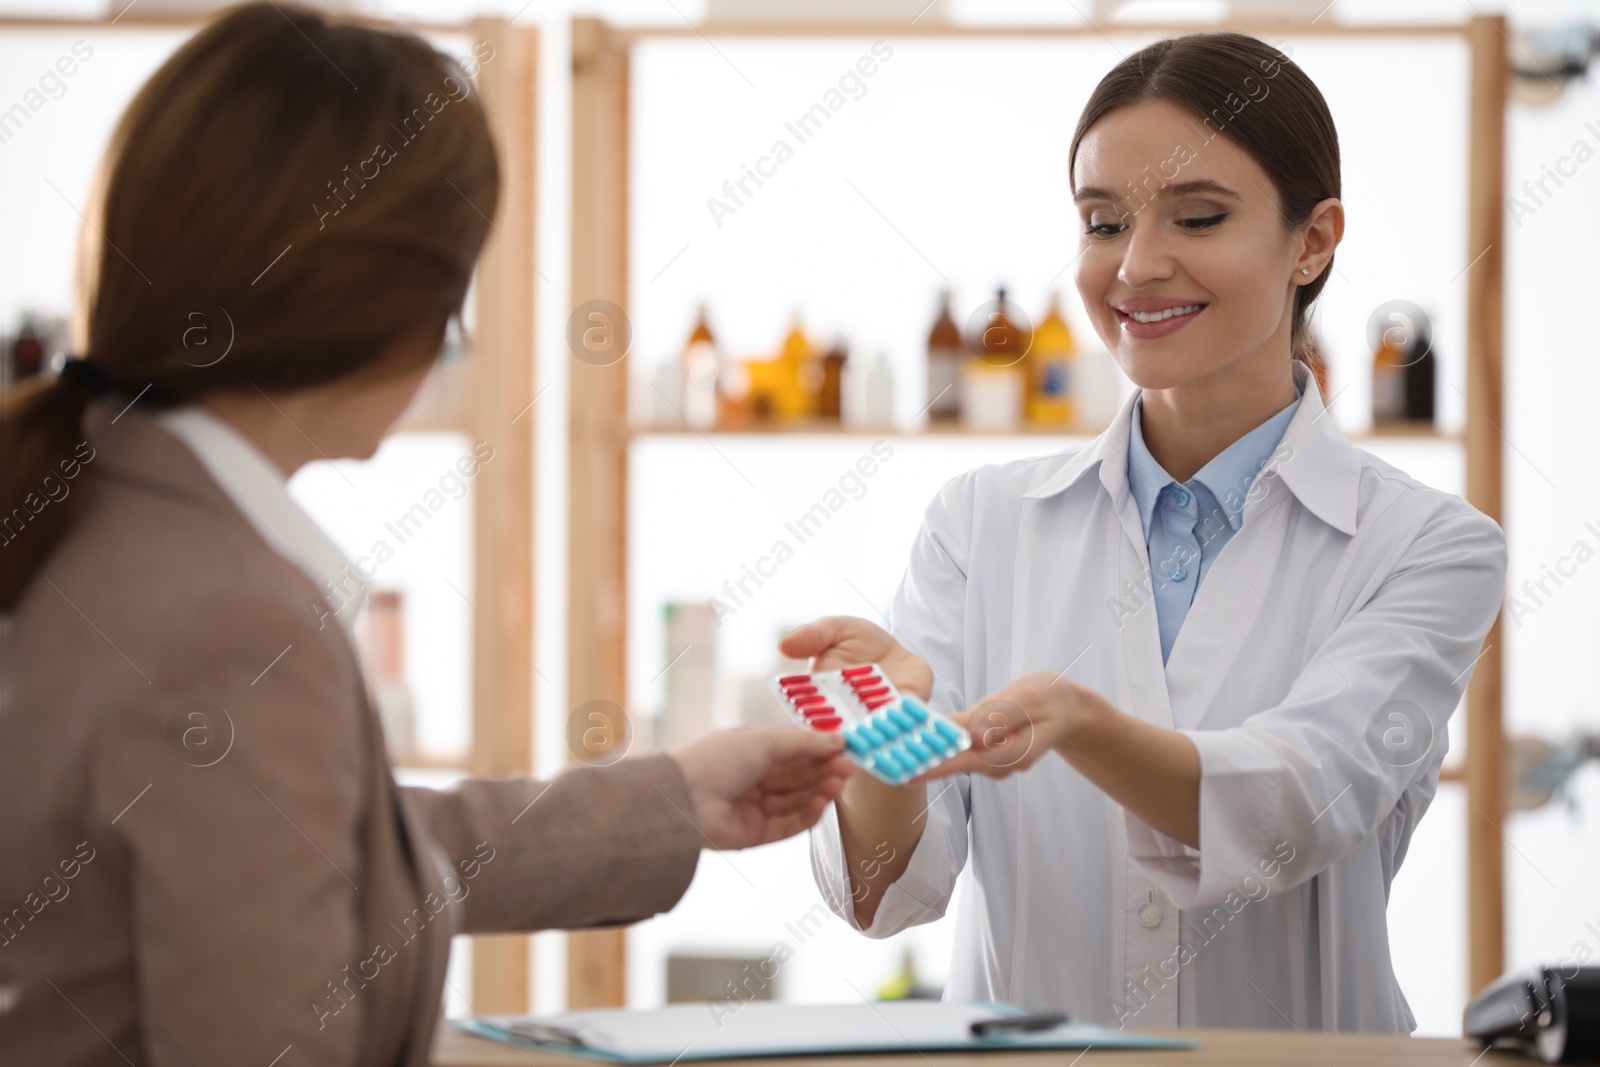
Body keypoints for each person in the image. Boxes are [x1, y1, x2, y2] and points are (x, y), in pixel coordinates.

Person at [0, 6, 851, 1065]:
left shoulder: (86, 502)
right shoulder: (225, 615)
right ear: (392, 301)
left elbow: (300, 852)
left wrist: (671, 798)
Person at [788, 32, 1505, 1033]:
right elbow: (882, 892)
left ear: (1313, 240)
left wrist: (1076, 718)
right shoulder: (979, 522)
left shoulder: (1429, 545)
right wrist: (883, 746)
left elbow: (1295, 802)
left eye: (1197, 216)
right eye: (1102, 221)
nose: (1135, 265)